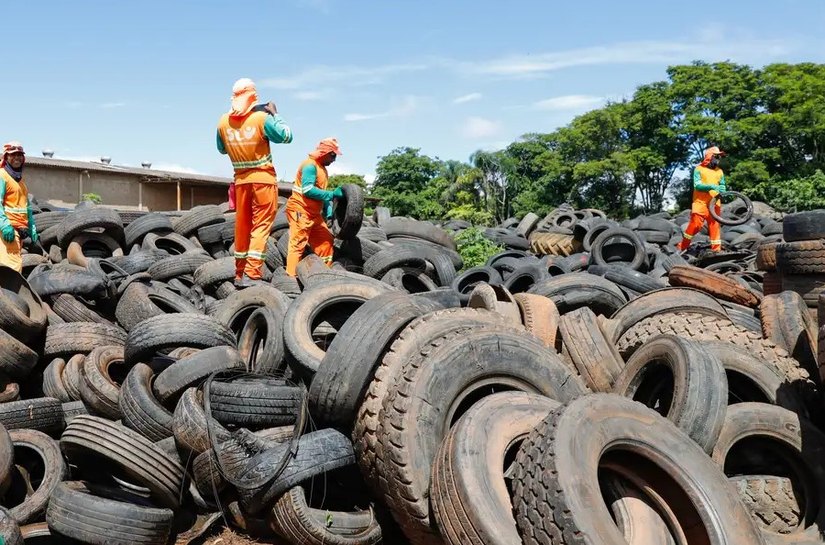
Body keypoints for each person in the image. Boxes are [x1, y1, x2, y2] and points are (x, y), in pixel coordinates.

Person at [217, 78, 293, 288]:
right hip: (263, 181)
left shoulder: (223, 121)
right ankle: (252, 272)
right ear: (253, 96)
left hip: (240, 182)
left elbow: (222, 149)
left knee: (242, 226)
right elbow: (287, 136)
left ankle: (240, 272)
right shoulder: (262, 119)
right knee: (260, 226)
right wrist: (275, 114)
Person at [285, 138, 343, 276]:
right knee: (298, 244)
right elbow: (308, 190)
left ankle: (323, 274)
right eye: (333, 155)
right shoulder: (310, 166)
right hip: (301, 210)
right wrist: (332, 194)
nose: (334, 160)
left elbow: (321, 194)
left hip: (314, 213)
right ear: (325, 153)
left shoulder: (322, 169)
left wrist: (329, 211)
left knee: (326, 240)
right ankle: (290, 280)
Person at [676, 146, 727, 253]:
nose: (718, 159)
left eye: (719, 157)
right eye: (716, 156)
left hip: (714, 203)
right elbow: (697, 185)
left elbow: (722, 185)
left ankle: (716, 251)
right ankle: (682, 247)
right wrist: (711, 187)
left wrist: (722, 189)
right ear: (709, 157)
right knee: (695, 226)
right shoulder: (699, 169)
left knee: (715, 227)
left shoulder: (719, 171)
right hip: (700, 203)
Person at [0, 141, 37, 273]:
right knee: (12, 269)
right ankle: (9, 294)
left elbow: (26, 206)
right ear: (6, 157)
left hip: (19, 230)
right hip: (7, 230)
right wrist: (5, 226)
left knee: (11, 265)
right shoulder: (2, 176)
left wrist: (31, 226)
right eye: (13, 154)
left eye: (20, 154)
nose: (17, 157)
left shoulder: (21, 181)